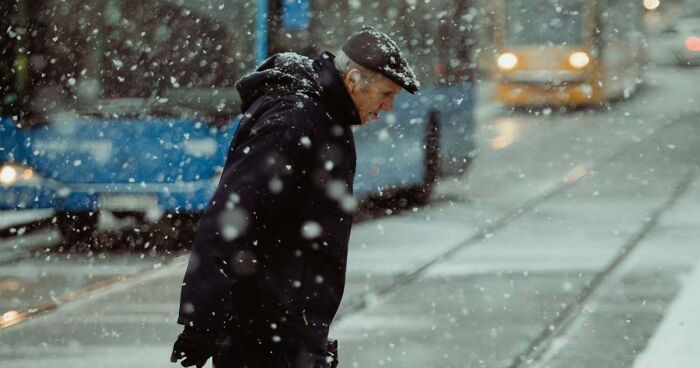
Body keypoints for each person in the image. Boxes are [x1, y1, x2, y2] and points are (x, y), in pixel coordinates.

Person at [170, 28, 419, 368]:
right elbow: (232, 215)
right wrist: (204, 321)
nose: (388, 106)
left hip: (285, 332)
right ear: (355, 78)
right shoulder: (296, 120)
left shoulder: (325, 116)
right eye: (386, 93)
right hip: (265, 336)